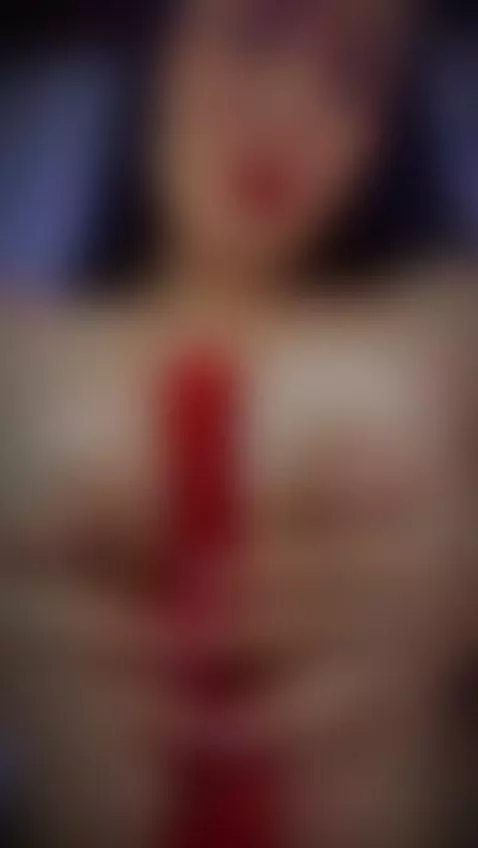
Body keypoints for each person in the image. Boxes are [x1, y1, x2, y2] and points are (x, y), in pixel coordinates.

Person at [0, 1, 476, 847]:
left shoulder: (452, 327)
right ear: (162, 47)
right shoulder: (19, 349)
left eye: (353, 77)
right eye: (260, 32)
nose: (293, 107)